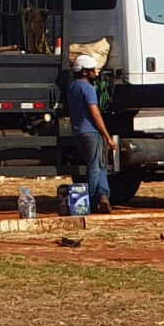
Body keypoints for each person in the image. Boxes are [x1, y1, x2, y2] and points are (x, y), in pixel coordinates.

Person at [66, 53, 115, 213]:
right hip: (91, 132)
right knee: (94, 167)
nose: (96, 72)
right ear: (85, 72)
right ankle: (92, 201)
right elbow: (95, 114)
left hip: (79, 131)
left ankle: (103, 195)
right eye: (93, 70)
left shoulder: (72, 86)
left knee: (100, 165)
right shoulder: (88, 88)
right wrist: (108, 137)